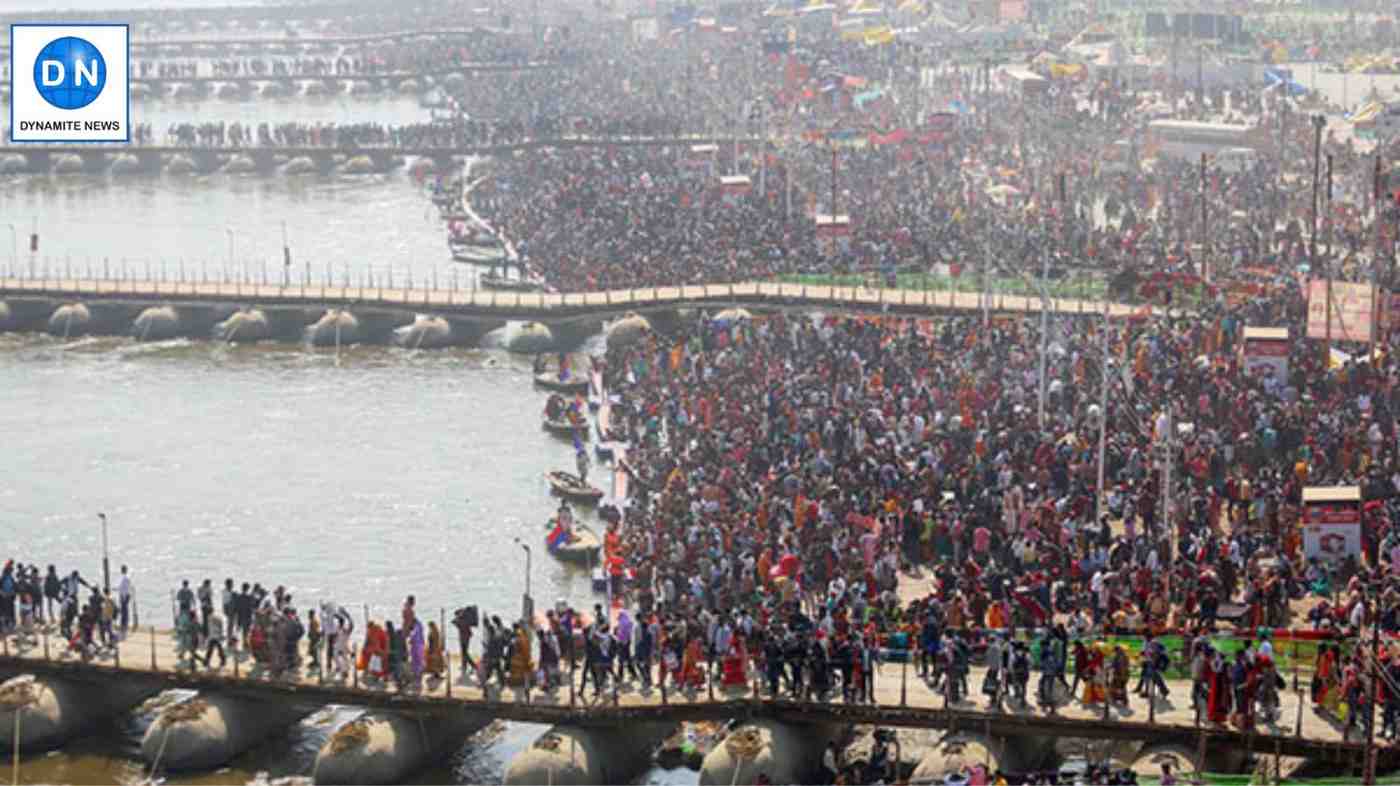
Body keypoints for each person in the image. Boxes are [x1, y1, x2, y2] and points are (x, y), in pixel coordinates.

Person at [117, 565, 132, 634]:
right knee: (124, 611)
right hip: (126, 596)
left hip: (124, 596)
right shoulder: (126, 578)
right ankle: (124, 625)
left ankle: (124, 625)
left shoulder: (124, 578)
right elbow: (126, 588)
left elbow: (123, 588)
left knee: (124, 611)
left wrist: (123, 597)